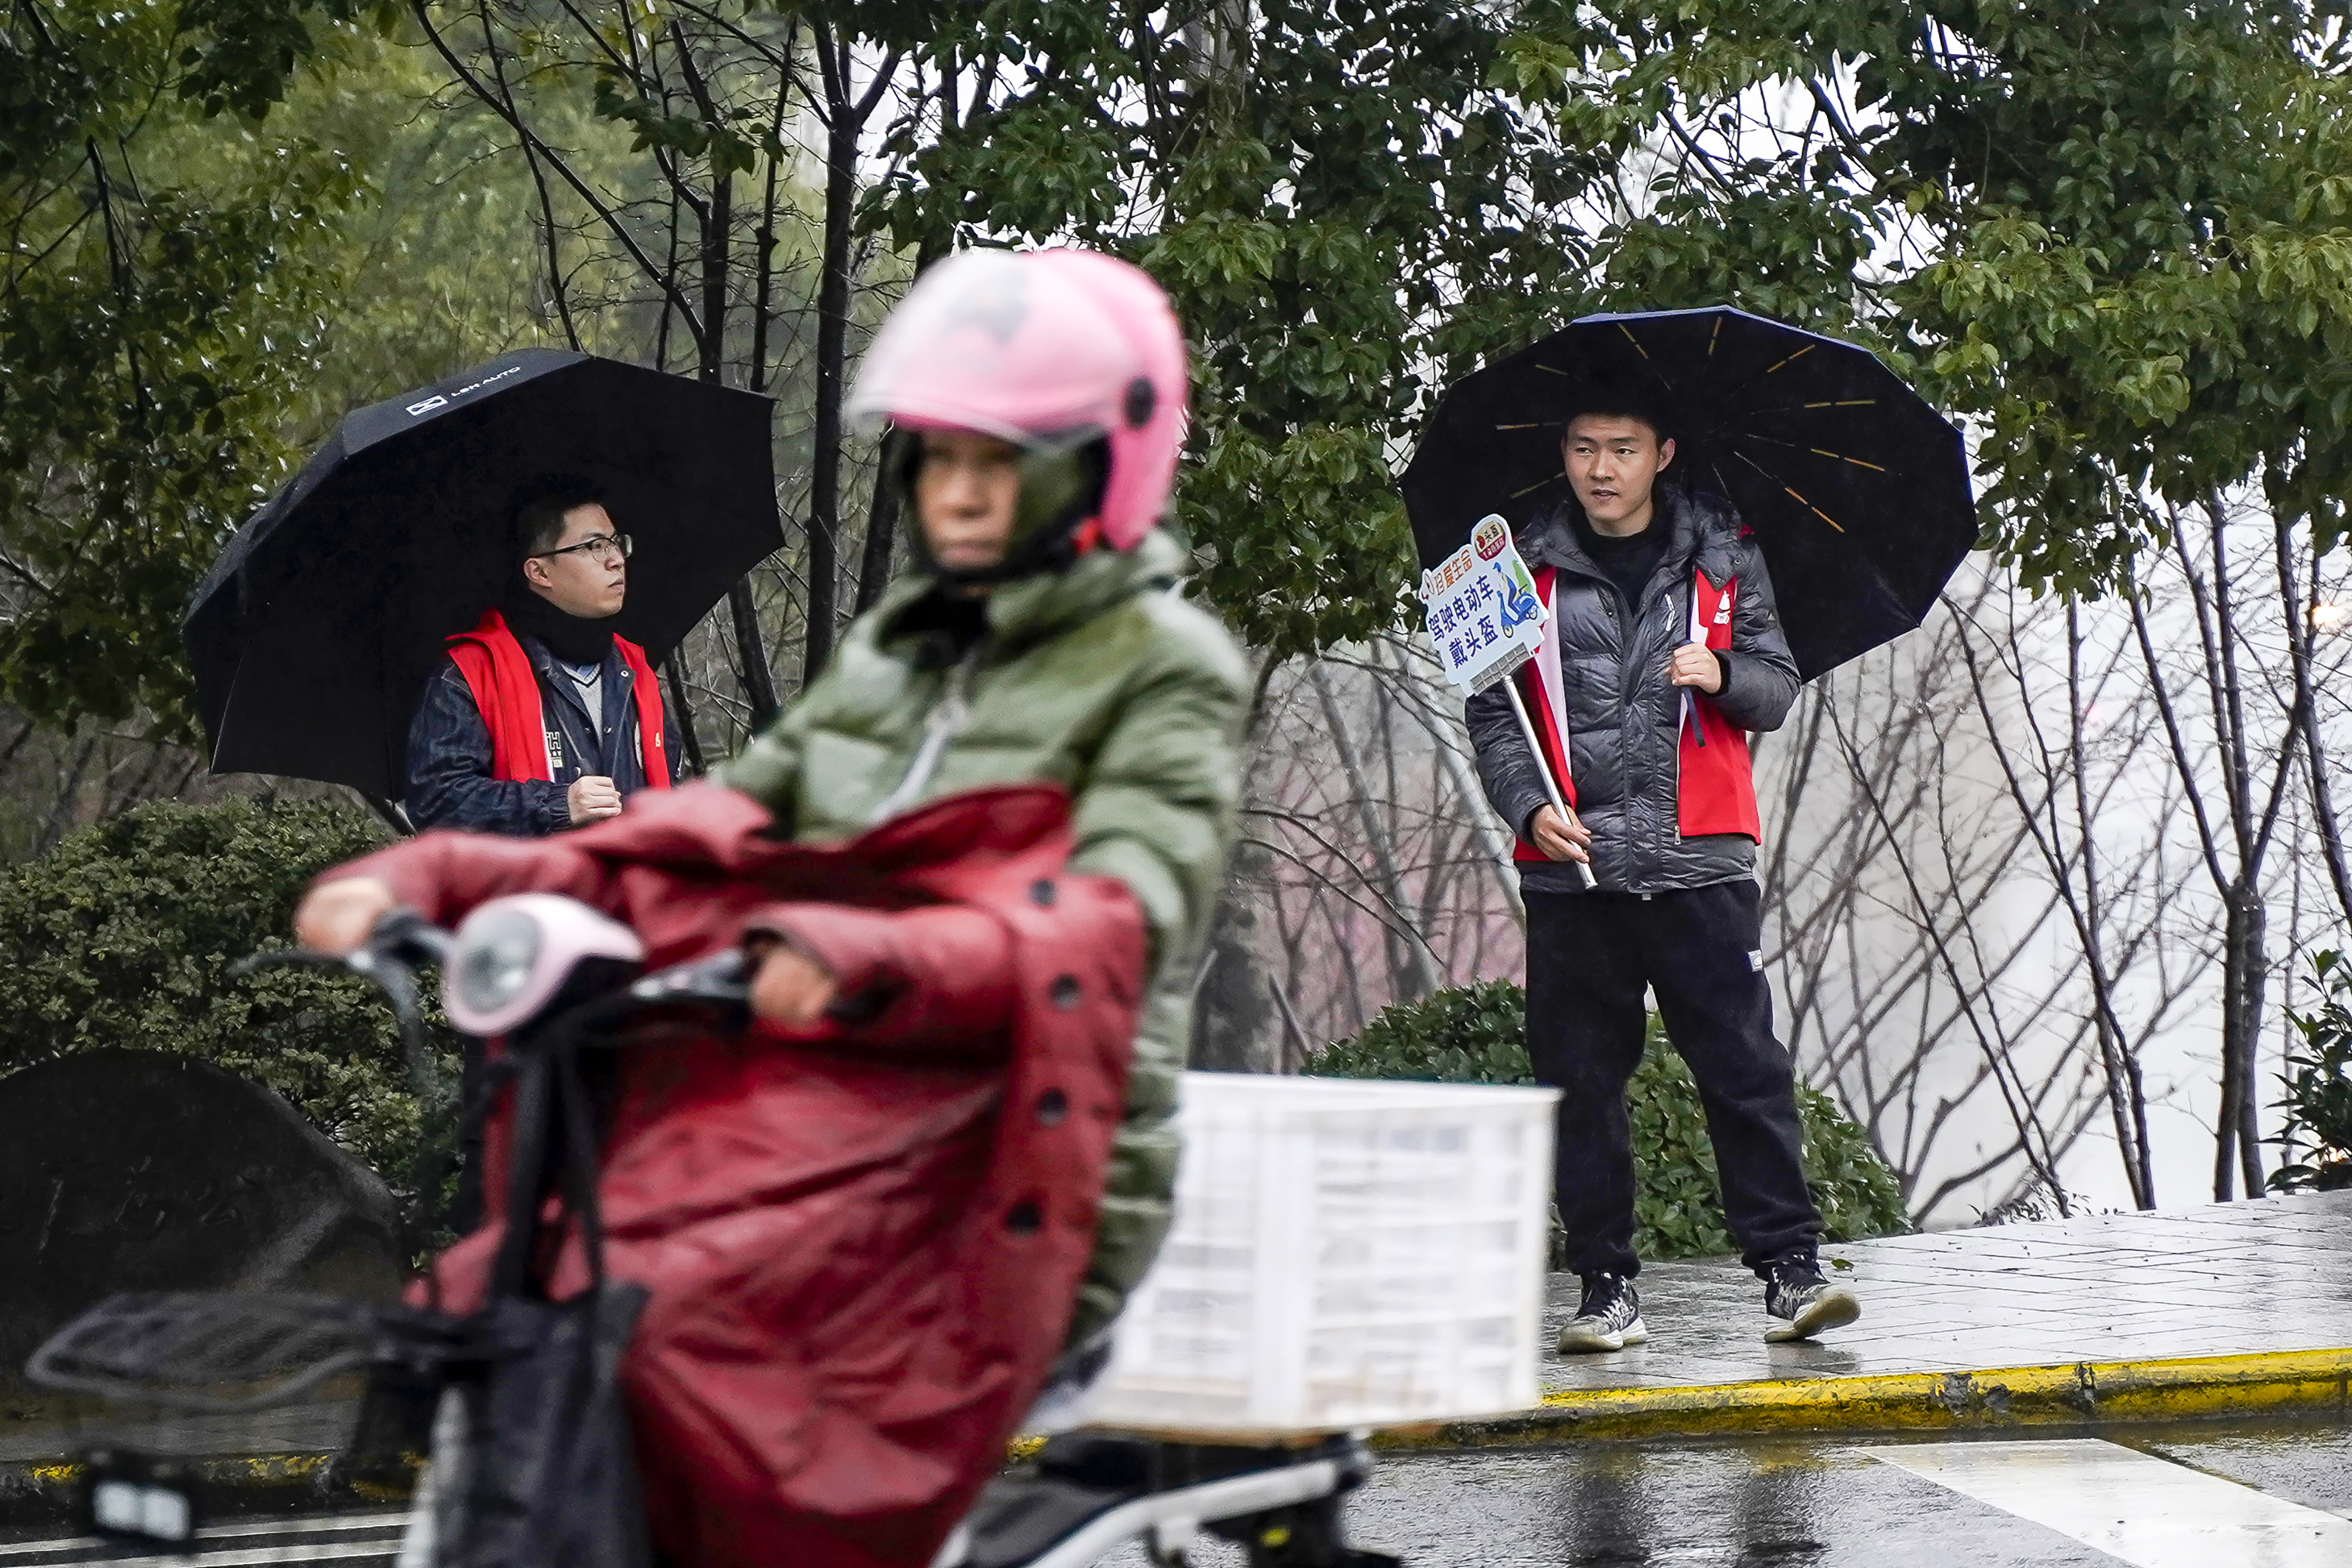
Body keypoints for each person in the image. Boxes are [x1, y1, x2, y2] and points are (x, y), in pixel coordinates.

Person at [293, 247, 1250, 1566]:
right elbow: (734, 817)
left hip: (1022, 1133)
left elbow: (1103, 922)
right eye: (939, 458)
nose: (958, 495)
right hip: (850, 1096)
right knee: (523, 1282)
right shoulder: (908, 645)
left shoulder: (1161, 670)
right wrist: (461, 874)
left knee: (661, 1310)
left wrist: (862, 947)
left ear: (1099, 462)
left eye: (999, 461)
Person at [1464, 393, 1862, 1352]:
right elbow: (1492, 712)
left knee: (1743, 1071)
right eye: (1584, 446)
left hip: (1702, 860)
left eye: (1623, 449)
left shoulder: (1726, 555)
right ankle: (1606, 1291)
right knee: (1581, 1082)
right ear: (1562, 451)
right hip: (1576, 873)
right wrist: (1526, 807)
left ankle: (1791, 1274)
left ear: (1663, 453)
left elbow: (1776, 683)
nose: (1601, 467)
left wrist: (1720, 672)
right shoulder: (1514, 569)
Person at [404, 474, 676, 834]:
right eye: (594, 546)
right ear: (540, 571)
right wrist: (557, 805)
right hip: (531, 888)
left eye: (614, 542)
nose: (615, 560)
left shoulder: (633, 669)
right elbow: (437, 801)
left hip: (632, 886)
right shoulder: (472, 672)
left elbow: (672, 784)